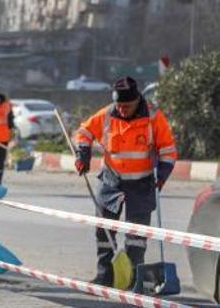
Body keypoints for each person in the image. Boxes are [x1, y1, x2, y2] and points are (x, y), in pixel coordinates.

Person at [74, 76, 177, 286]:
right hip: (111, 181)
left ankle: (133, 277)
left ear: (138, 100)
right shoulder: (107, 114)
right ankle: (105, 275)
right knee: (104, 230)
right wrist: (82, 154)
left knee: (136, 236)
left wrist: (163, 173)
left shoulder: (153, 117)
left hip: (142, 184)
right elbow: (84, 131)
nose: (121, 110)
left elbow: (168, 149)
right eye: (118, 105)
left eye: (126, 106)